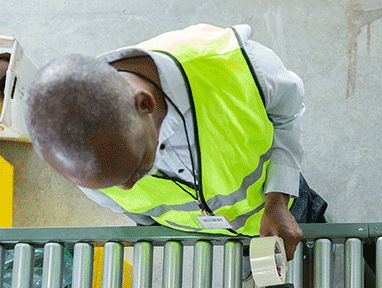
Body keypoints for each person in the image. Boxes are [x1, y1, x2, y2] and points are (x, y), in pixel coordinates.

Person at [23, 24, 326, 261]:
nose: (126, 188)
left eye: (136, 168)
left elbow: (288, 115)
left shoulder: (236, 65)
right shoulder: (81, 155)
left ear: (145, 104)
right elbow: (136, 211)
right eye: (107, 184)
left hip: (277, 204)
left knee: (311, 232)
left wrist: (277, 202)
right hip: (212, 231)